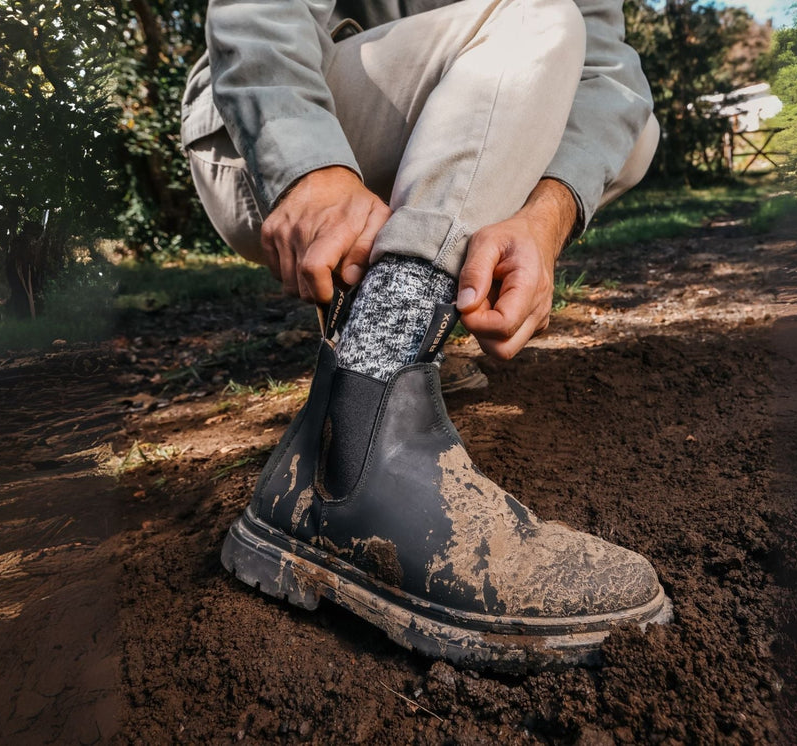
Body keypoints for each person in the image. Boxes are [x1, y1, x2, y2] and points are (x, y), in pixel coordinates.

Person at [182, 0, 670, 669]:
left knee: (631, 128)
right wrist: (309, 167)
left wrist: (546, 214)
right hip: (274, 108)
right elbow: (260, 11)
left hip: (467, 93)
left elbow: (610, 70)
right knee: (540, 17)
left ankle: (350, 401)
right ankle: (364, 436)